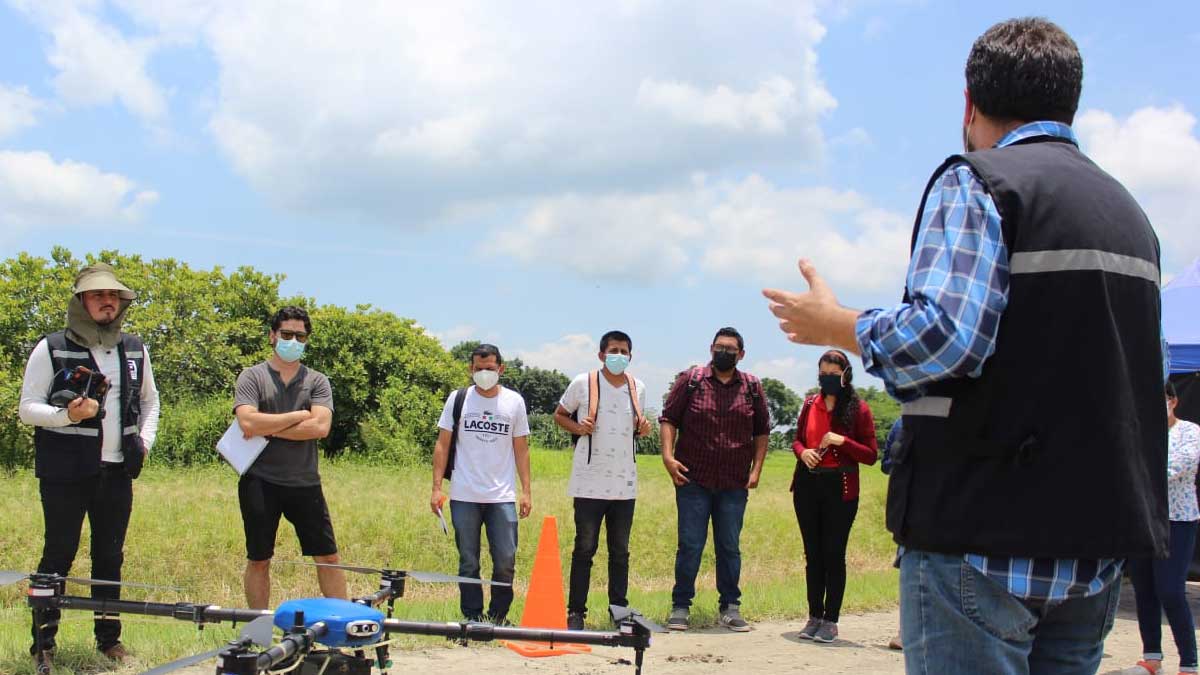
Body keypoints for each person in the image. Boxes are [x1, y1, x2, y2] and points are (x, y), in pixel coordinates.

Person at [763, 17, 1166, 674]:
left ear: (969, 104)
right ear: (1070, 101)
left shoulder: (979, 181)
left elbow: (945, 338)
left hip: (983, 535)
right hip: (1098, 544)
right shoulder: (1130, 214)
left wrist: (834, 323)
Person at [18, 263, 161, 671]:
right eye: (98, 295)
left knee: (110, 557)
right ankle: (43, 644)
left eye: (113, 296)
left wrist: (144, 441)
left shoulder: (134, 348)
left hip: (117, 471)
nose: (107, 302)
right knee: (57, 555)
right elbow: (28, 408)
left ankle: (108, 640)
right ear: (81, 301)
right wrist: (68, 416)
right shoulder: (51, 346)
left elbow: (151, 401)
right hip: (65, 471)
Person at [233, 306, 346, 609]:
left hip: (305, 482)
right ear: (272, 336)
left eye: (300, 336)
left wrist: (266, 427)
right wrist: (297, 416)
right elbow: (247, 423)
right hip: (259, 481)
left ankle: (343, 627)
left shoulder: (317, 381)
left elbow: (320, 427)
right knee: (259, 559)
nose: (293, 340)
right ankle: (258, 629)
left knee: (328, 556)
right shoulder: (252, 376)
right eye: (286, 334)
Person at [659, 327, 770, 632]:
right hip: (693, 480)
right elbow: (668, 419)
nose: (724, 352)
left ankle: (730, 607)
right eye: (719, 347)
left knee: (729, 547)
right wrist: (668, 457)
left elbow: (762, 430)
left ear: (741, 354)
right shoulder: (691, 380)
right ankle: (680, 607)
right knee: (690, 545)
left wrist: (756, 469)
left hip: (734, 483)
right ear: (711, 348)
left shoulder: (752, 387)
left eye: (730, 349)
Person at [553, 330, 651, 630]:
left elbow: (636, 427)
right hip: (589, 481)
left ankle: (619, 610)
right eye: (613, 350)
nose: (618, 356)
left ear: (631, 356)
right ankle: (576, 611)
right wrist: (577, 427)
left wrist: (644, 429)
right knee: (584, 548)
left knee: (620, 551)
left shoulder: (638, 387)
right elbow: (559, 415)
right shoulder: (584, 383)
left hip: (624, 483)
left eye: (624, 351)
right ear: (601, 354)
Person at [430, 343, 532, 623]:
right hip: (464, 494)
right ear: (470, 369)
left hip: (502, 496)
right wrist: (437, 488)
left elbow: (521, 448)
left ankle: (498, 617)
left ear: (501, 369)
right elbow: (442, 444)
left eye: (489, 368)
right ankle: (472, 618)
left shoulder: (514, 402)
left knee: (506, 560)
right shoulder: (458, 399)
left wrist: (526, 491)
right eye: (478, 369)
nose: (484, 373)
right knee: (468, 561)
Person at [791, 350, 877, 644]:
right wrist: (804, 453)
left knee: (833, 554)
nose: (826, 378)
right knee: (812, 554)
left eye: (832, 373)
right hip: (807, 485)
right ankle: (814, 616)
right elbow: (797, 439)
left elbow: (870, 455)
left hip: (840, 489)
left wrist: (843, 441)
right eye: (822, 373)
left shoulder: (859, 409)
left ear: (845, 375)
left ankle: (831, 620)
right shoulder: (809, 404)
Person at [1129, 382, 1200, 675]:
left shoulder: (1191, 432)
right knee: (1143, 589)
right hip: (1141, 520)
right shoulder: (1139, 432)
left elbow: (1174, 467)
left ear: (1173, 400)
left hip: (1177, 521)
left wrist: (1136, 471)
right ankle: (1152, 657)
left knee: (1170, 590)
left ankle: (1189, 662)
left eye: (1162, 399)